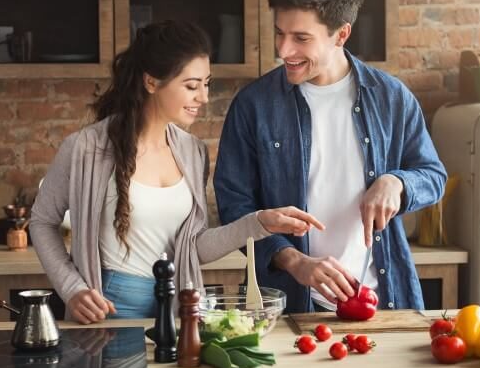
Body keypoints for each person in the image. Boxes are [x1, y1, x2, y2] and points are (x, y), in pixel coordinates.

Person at [30, 20, 323, 324]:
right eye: (191, 86)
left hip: (178, 305)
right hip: (111, 306)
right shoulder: (85, 148)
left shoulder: (192, 152)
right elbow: (42, 221)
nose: (204, 97)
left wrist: (260, 222)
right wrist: (72, 288)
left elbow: (193, 248)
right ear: (152, 82)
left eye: (206, 84)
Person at [214, 0, 447, 314]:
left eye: (301, 38)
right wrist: (292, 260)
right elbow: (235, 206)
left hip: (381, 302)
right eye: (280, 33)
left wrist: (396, 182)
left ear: (341, 34)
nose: (283, 50)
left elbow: (433, 176)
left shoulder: (391, 98)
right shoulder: (253, 106)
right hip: (289, 307)